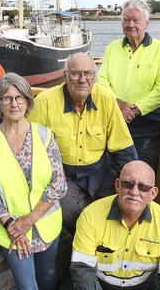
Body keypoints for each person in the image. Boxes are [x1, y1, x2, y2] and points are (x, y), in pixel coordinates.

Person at [29, 52, 137, 234]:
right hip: (63, 175)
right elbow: (30, 148)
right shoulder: (45, 102)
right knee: (70, 214)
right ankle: (87, 250)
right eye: (75, 73)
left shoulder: (106, 98)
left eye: (88, 73)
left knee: (127, 206)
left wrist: (132, 183)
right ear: (65, 76)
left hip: (100, 172)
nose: (82, 79)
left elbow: (122, 147)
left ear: (94, 77)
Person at [0, 73, 67, 290]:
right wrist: (12, 225)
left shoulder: (44, 135)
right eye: (7, 98)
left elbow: (58, 184)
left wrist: (29, 220)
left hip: (45, 225)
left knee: (48, 277)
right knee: (27, 287)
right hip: (11, 231)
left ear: (28, 102)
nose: (14, 103)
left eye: (19, 98)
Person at [70, 160, 160, 290]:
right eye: (128, 184)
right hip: (99, 284)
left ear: (153, 193)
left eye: (143, 187)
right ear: (117, 185)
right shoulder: (91, 214)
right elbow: (82, 269)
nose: (134, 192)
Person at [98, 0, 160, 175]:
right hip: (115, 122)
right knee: (113, 175)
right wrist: (118, 104)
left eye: (136, 20)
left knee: (143, 176)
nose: (130, 24)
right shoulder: (112, 48)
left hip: (148, 126)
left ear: (147, 23)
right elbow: (102, 80)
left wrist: (135, 109)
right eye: (126, 19)